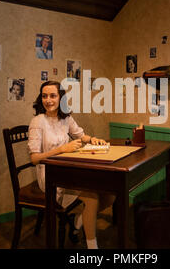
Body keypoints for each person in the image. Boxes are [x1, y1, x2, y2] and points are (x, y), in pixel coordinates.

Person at [27, 81, 116, 249]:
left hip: (69, 170)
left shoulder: (65, 118)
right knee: (92, 197)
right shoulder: (37, 122)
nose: (48, 100)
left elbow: (80, 135)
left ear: (60, 98)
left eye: (53, 96)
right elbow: (34, 158)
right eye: (44, 96)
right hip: (50, 176)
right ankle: (92, 247)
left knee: (110, 193)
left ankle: (78, 222)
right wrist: (62, 149)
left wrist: (92, 139)